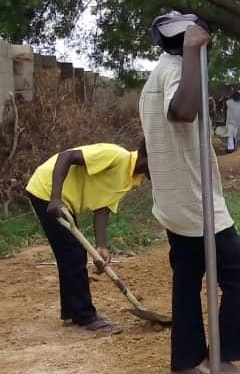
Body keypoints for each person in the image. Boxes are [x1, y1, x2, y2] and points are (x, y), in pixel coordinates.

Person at [139, 11, 240, 374]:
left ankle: (186, 362)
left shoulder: (154, 77)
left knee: (188, 278)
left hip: (174, 201)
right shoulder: (175, 68)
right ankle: (218, 361)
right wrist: (191, 53)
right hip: (194, 202)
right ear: (190, 39)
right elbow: (183, 111)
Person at [25, 141, 149, 334]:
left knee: (70, 255)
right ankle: (85, 316)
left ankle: (70, 312)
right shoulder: (115, 156)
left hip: (61, 197)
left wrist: (101, 246)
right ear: (147, 159)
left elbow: (103, 206)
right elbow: (66, 157)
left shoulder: (131, 178)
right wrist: (55, 198)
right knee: (73, 253)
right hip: (46, 190)